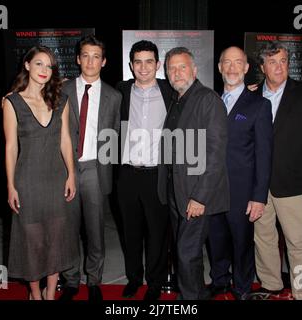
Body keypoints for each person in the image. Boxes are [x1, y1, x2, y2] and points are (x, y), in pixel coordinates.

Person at [253, 41, 302, 300]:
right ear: (262, 67)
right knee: (263, 238)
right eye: (272, 62)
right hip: (259, 185)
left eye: (283, 61)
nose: (279, 67)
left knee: (299, 243)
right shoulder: (251, 96)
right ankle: (271, 283)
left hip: (294, 182)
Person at [3, 46, 77, 300]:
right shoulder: (12, 102)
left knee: (56, 239)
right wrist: (11, 185)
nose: (44, 70)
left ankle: (50, 292)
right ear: (27, 65)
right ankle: (35, 293)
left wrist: (71, 174)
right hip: (27, 181)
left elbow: (65, 140)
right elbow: (11, 147)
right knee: (32, 242)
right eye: (39, 64)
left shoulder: (60, 100)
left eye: (49, 66)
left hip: (56, 178)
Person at [158, 47, 229, 300]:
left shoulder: (207, 99)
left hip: (196, 194)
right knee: (188, 253)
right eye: (171, 68)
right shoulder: (178, 100)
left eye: (182, 67)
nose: (176, 72)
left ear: (194, 70)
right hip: (177, 192)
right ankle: (194, 294)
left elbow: (216, 154)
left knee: (186, 253)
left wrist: (200, 197)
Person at [206, 46, 273, 300]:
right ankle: (220, 280)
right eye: (227, 63)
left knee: (241, 242)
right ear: (220, 67)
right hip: (211, 189)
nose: (232, 68)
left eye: (238, 63)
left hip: (242, 191)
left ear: (246, 68)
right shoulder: (210, 101)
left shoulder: (259, 105)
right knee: (215, 239)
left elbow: (265, 156)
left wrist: (259, 196)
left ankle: (243, 286)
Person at [59, 35, 122, 301]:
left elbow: (116, 134)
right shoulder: (61, 90)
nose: (90, 61)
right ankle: (71, 280)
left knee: (95, 230)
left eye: (96, 56)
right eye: (85, 55)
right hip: (66, 170)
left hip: (96, 169)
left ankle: (94, 280)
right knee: (68, 229)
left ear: (104, 61)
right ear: (77, 59)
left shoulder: (114, 96)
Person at [116, 40, 174, 300]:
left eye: (149, 61)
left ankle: (155, 283)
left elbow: (200, 97)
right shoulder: (121, 91)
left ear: (158, 65)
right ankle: (133, 278)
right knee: (130, 232)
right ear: (131, 65)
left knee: (157, 234)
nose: (143, 67)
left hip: (157, 174)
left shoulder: (171, 91)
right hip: (127, 174)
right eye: (138, 62)